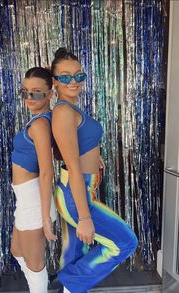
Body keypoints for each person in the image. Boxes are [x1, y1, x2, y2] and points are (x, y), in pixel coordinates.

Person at [51, 48, 138, 293]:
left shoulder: (71, 109)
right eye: (66, 76)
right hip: (75, 190)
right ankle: (66, 280)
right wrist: (85, 217)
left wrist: (94, 154)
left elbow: (78, 146)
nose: (74, 82)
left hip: (79, 187)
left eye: (79, 76)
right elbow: (75, 168)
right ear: (55, 80)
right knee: (125, 242)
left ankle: (66, 281)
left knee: (77, 252)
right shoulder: (64, 111)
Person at [10, 67, 57, 293]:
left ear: (50, 94)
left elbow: (47, 171)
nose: (29, 98)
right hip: (25, 199)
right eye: (25, 92)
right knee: (17, 251)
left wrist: (46, 218)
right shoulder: (41, 120)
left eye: (37, 92)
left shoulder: (40, 125)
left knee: (35, 266)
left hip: (34, 202)